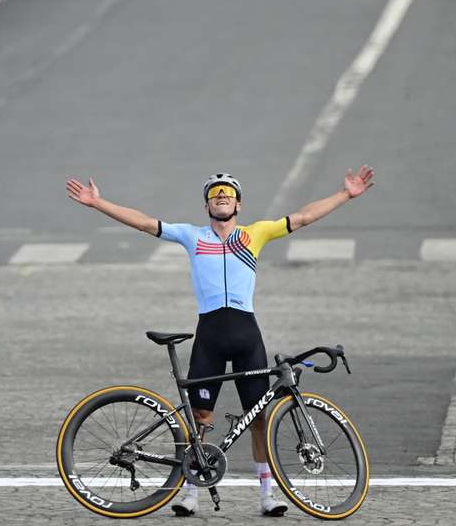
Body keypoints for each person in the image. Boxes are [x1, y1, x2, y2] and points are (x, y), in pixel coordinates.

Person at [65, 166, 375, 517]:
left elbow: (302, 218)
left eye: (227, 194)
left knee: (259, 417)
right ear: (207, 207)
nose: (221, 197)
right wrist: (98, 203)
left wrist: (345, 195)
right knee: (200, 418)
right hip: (210, 336)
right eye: (214, 195)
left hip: (246, 336)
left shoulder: (255, 234)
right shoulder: (192, 236)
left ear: (239, 205)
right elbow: (143, 222)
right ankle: (191, 493)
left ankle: (266, 496)